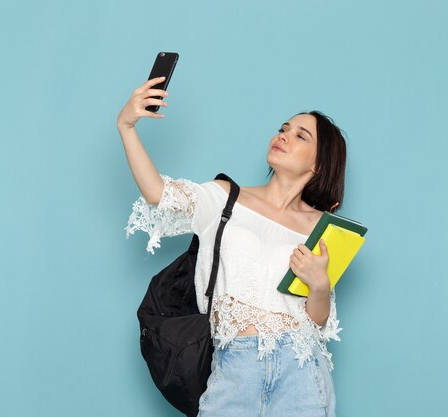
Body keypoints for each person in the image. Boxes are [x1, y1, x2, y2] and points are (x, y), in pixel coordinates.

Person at [118, 76, 347, 417]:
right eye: (283, 128)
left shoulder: (321, 228)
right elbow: (158, 194)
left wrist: (320, 284)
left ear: (318, 164)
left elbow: (318, 318)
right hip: (235, 363)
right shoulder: (226, 198)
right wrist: (126, 127)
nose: (283, 135)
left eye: (300, 135)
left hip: (301, 368)